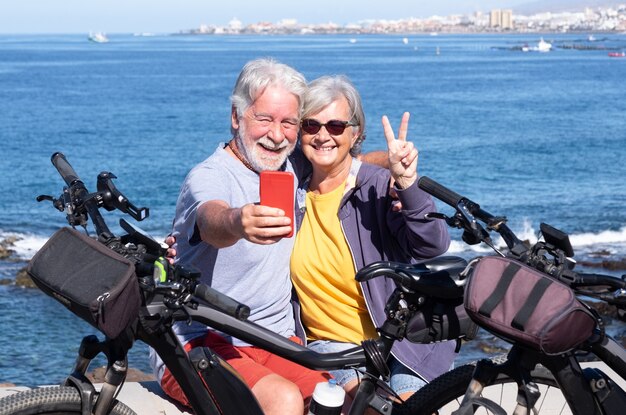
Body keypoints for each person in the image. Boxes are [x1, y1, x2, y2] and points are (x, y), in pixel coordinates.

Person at [150, 58, 331, 415]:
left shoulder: (293, 166)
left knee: (337, 398)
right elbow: (211, 218)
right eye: (263, 119)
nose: (277, 135)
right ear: (236, 117)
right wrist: (238, 221)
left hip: (274, 340)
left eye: (288, 123)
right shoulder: (210, 176)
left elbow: (341, 161)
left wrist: (390, 166)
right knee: (284, 400)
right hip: (196, 343)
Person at [290, 75, 456, 402]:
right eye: (311, 125)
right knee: (372, 408)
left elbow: (432, 244)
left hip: (404, 340)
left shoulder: (378, 188)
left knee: (411, 407)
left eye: (336, 126)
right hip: (332, 346)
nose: (323, 135)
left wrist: (408, 184)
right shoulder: (290, 191)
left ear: (355, 134)